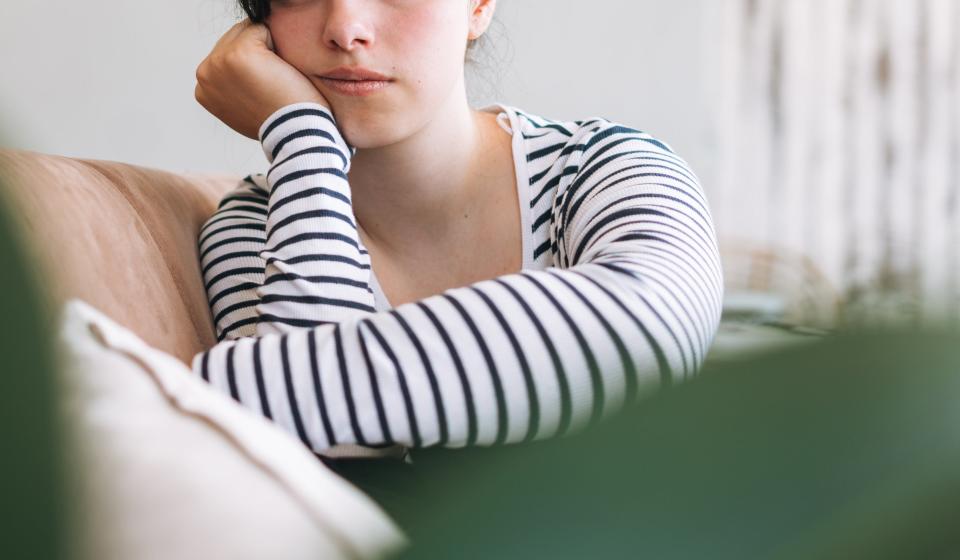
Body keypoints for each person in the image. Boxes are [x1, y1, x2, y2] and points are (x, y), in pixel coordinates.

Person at [190, 0, 724, 476]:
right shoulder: (259, 223)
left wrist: (216, 391)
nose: (345, 27)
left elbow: (649, 330)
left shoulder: (604, 170)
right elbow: (314, 470)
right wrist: (300, 138)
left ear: (479, 6)